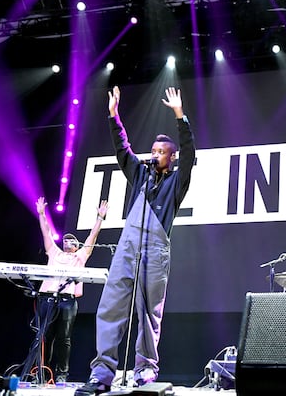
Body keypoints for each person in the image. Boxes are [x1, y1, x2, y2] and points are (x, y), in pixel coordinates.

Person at [75, 85, 196, 396]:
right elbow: (122, 150)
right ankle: (102, 374)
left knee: (148, 313)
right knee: (111, 306)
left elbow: (190, 149)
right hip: (128, 247)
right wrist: (114, 116)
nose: (154, 154)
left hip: (155, 250)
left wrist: (179, 116)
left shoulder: (177, 183)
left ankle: (144, 370)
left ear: (171, 157)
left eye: (160, 152)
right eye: (153, 151)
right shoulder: (140, 175)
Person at [35, 196, 109, 384]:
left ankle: (61, 374)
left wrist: (99, 218)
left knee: (64, 338)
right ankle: (42, 372)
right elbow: (46, 234)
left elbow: (92, 237)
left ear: (77, 246)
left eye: (71, 241)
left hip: (67, 301)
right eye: (65, 240)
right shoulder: (54, 253)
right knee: (44, 336)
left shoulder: (80, 256)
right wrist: (42, 214)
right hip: (48, 298)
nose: (67, 242)